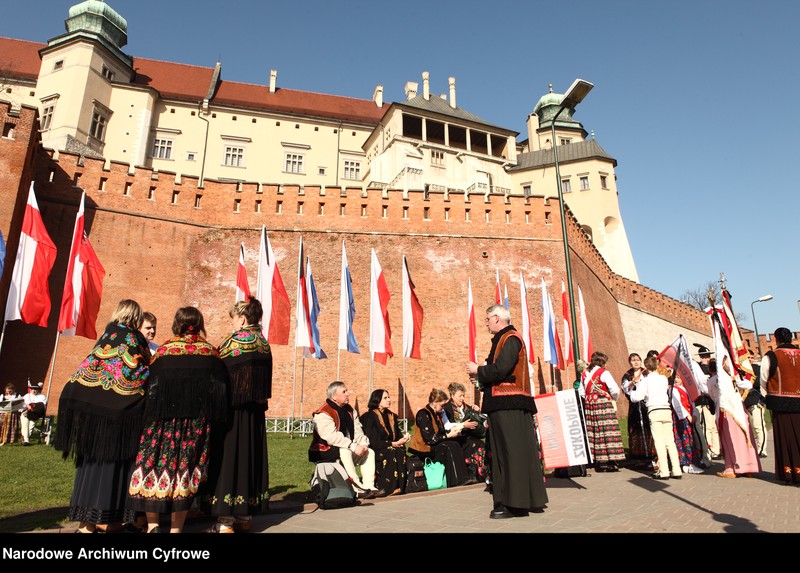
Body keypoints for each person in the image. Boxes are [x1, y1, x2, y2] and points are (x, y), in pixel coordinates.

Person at [127, 306, 229, 533]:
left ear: (177, 324)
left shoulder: (163, 351)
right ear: (199, 324)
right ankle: (176, 530)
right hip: (195, 424)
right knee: (185, 472)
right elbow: (220, 392)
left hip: (161, 422)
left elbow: (150, 387)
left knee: (152, 468)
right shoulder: (210, 353)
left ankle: (153, 525)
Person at [55, 299, 151, 534]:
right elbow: (143, 372)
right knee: (114, 469)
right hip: (119, 417)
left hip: (92, 419)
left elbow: (87, 371)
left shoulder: (105, 338)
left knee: (89, 467)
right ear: (135, 318)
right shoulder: (133, 339)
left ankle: (86, 524)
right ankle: (111, 521)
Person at [466, 304, 548, 519]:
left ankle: (514, 504)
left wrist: (478, 370)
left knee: (509, 454)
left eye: (487, 319)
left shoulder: (510, 338)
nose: (485, 323)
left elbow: (502, 369)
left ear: (496, 318)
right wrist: (481, 378)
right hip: (506, 404)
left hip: (508, 405)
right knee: (512, 453)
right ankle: (523, 499)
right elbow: (500, 371)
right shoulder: (506, 339)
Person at [204, 297, 272, 533]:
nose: (232, 324)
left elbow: (215, 372)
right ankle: (244, 517)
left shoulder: (234, 342)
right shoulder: (263, 343)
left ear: (242, 319)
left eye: (233, 319)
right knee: (249, 461)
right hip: (254, 415)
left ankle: (225, 522)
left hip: (232, 415)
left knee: (229, 462)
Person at [308, 381, 384, 499]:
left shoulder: (350, 410)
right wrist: (353, 446)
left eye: (347, 391)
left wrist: (363, 443)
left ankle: (370, 486)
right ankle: (356, 487)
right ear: (334, 396)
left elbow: (357, 429)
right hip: (326, 450)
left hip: (347, 448)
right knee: (345, 450)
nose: (348, 394)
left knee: (370, 452)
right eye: (344, 392)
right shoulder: (323, 412)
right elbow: (331, 437)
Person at [629, 356, 683, 480]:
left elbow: (637, 397)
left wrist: (633, 389)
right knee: (670, 440)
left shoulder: (645, 381)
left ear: (646, 367)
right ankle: (676, 469)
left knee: (659, 441)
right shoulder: (663, 379)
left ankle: (664, 471)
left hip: (654, 409)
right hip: (666, 408)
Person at [706, 358, 760, 478]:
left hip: (724, 410)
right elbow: (748, 384)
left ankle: (731, 468)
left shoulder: (711, 381)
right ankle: (748, 467)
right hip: (738, 408)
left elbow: (712, 395)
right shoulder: (730, 378)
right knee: (743, 437)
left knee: (729, 439)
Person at [407, 388, 469, 488]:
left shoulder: (437, 414)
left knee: (456, 443)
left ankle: (462, 477)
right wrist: (448, 435)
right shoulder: (423, 414)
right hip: (424, 447)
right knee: (449, 447)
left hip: (434, 444)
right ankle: (456, 480)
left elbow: (440, 433)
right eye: (442, 405)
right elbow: (430, 439)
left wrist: (453, 432)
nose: (443, 408)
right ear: (435, 402)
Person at [761, 327, 800, 484]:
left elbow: (763, 379)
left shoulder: (771, 356)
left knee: (785, 439)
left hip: (781, 402)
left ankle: (789, 473)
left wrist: (767, 394)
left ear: (776, 339)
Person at [579, 351, 626, 472]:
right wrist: (613, 398)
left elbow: (581, 392)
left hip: (590, 405)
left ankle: (598, 461)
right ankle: (610, 460)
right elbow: (614, 390)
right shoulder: (604, 373)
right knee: (607, 430)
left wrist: (589, 399)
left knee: (594, 431)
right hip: (603, 404)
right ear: (602, 362)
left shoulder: (584, 374)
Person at [361, 389, 409, 496]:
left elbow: (398, 436)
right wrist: (392, 444)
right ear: (377, 400)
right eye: (385, 398)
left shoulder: (391, 416)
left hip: (391, 446)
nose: (389, 400)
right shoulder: (369, 417)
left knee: (399, 451)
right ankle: (388, 487)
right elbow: (373, 440)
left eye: (389, 397)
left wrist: (403, 440)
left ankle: (400, 486)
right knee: (391, 451)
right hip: (377, 448)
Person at [443, 381, 487, 483]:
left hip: (468, 436)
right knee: (474, 444)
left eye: (464, 395)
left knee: (480, 443)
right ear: (452, 395)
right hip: (456, 438)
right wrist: (464, 425)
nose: (462, 398)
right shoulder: (447, 409)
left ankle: (479, 474)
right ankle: (471, 472)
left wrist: (476, 412)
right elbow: (448, 427)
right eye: (460, 396)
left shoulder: (466, 407)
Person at [620, 353, 656, 469]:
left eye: (637, 360)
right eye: (633, 360)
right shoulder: (627, 375)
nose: (635, 362)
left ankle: (651, 456)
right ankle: (639, 457)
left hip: (645, 405)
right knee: (636, 430)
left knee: (648, 428)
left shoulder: (646, 373)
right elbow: (625, 388)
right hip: (635, 406)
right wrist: (631, 384)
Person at [669, 378, 704, 474]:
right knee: (683, 439)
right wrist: (686, 416)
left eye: (679, 378)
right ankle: (686, 462)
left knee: (690, 439)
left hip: (688, 416)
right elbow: (677, 404)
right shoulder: (673, 389)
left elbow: (691, 403)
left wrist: (694, 414)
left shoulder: (685, 389)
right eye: (675, 377)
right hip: (681, 418)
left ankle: (692, 461)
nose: (676, 379)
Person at [693, 344, 721, 464]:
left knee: (714, 427)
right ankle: (708, 449)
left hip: (712, 401)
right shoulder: (698, 369)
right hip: (703, 401)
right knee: (706, 427)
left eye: (707, 356)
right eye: (704, 356)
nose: (706, 359)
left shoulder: (712, 369)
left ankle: (716, 449)